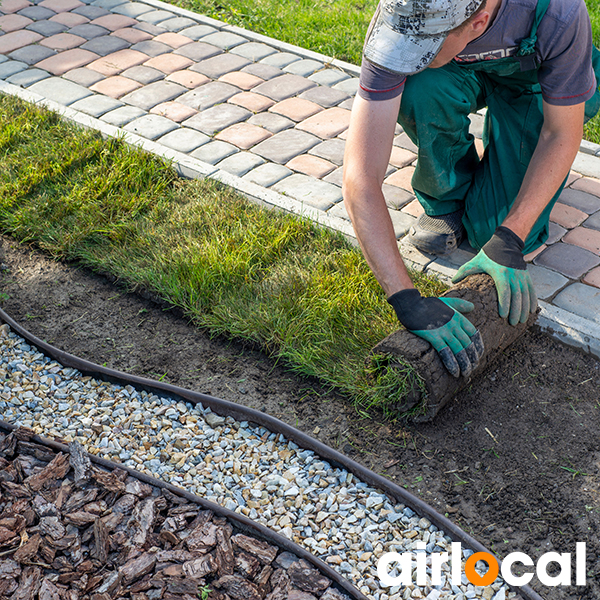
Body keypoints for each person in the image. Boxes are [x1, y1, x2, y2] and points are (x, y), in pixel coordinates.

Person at [343, 0, 600, 378]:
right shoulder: (403, 18)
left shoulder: (559, 12)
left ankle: (509, 134)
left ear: (478, 22)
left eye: (423, 46)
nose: (406, 54)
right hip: (457, 71)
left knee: (494, 234)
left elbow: (562, 133)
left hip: (535, 83)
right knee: (419, 85)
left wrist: (510, 238)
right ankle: (445, 198)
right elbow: (359, 176)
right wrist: (406, 299)